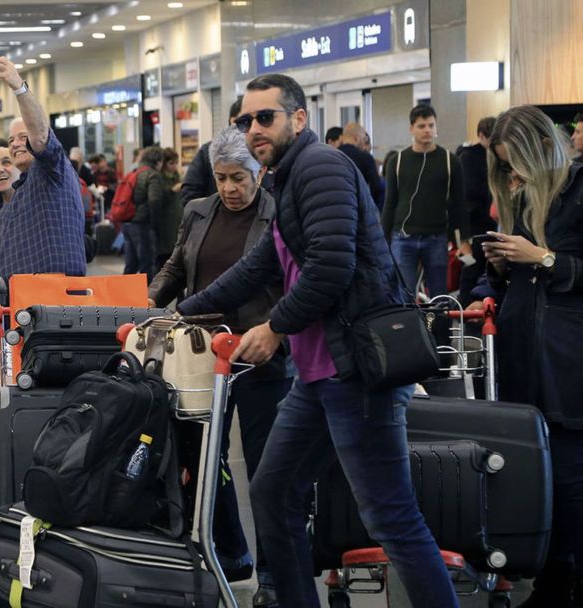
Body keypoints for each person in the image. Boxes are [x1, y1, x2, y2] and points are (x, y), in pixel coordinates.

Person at [178, 73, 459, 607]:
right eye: (245, 120)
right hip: (318, 375)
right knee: (273, 490)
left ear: (298, 118)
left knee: (390, 516)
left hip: (356, 372)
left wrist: (273, 326)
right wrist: (178, 312)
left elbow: (332, 266)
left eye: (266, 117)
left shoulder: (321, 167)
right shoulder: (285, 177)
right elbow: (258, 266)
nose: (254, 128)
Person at [149, 126, 287, 607]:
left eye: (239, 177)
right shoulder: (197, 210)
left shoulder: (279, 214)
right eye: (221, 177)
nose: (229, 188)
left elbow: (294, 283)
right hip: (198, 353)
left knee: (268, 466)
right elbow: (176, 267)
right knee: (205, 458)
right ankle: (230, 552)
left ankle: (274, 575)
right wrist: (148, 301)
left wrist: (278, 331)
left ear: (260, 172)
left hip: (259, 355)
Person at [473, 106, 583, 606]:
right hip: (522, 350)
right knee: (536, 471)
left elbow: (563, 268)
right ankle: (552, 576)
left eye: (515, 162)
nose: (511, 175)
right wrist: (497, 271)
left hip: (567, 358)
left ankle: (565, 578)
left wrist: (543, 258)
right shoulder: (520, 197)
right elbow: (512, 280)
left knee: (567, 473)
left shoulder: (579, 189)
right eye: (503, 166)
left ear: (541, 146)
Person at [0, 57, 86, 283]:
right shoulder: (14, 199)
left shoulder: (52, 170)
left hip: (53, 300)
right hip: (16, 305)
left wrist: (19, 88)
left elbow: (39, 135)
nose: (16, 144)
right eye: (10, 140)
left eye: (22, 137)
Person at [382, 104, 472, 297]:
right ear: (411, 129)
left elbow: (460, 204)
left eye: (431, 125)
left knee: (439, 295)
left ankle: (439, 328)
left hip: (436, 237)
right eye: (422, 126)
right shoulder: (396, 162)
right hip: (403, 237)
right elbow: (389, 203)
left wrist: (465, 239)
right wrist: (382, 239)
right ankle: (409, 328)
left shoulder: (450, 161)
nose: (427, 130)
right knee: (404, 294)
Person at [457, 116, 498, 306]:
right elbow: (466, 194)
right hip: (474, 224)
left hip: (487, 222)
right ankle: (466, 305)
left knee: (485, 267)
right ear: (481, 136)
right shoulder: (469, 158)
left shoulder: (495, 156)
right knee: (471, 266)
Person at [181, 97, 243, 204]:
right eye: (240, 122)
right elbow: (189, 194)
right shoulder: (209, 152)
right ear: (231, 122)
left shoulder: (267, 153)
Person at [123, 146, 164, 279]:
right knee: (146, 265)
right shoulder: (153, 175)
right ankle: (146, 298)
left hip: (127, 223)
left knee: (131, 265)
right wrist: (156, 224)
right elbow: (154, 200)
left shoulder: (135, 172)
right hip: (142, 224)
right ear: (158, 161)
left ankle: (122, 296)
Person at [337, 122, 385, 211]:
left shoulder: (332, 155)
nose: (364, 142)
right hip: (358, 209)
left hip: (336, 207)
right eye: (364, 138)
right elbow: (376, 188)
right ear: (357, 138)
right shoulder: (365, 158)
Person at [156, 148, 184, 271]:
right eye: (171, 163)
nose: (174, 166)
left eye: (176, 163)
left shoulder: (177, 176)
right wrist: (171, 190)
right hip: (165, 221)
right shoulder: (158, 178)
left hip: (177, 218)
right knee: (165, 254)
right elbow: (158, 198)